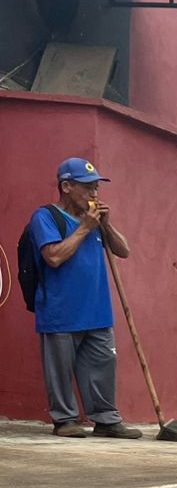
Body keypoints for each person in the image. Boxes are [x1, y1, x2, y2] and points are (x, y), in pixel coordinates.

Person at [24, 158, 141, 439]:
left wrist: (106, 226)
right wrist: (85, 228)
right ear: (66, 186)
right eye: (87, 187)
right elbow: (53, 257)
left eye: (96, 188)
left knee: (103, 365)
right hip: (60, 311)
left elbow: (123, 251)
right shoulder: (45, 217)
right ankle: (64, 420)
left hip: (97, 310)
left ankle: (106, 419)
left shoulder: (95, 220)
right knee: (60, 371)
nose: (94, 194)